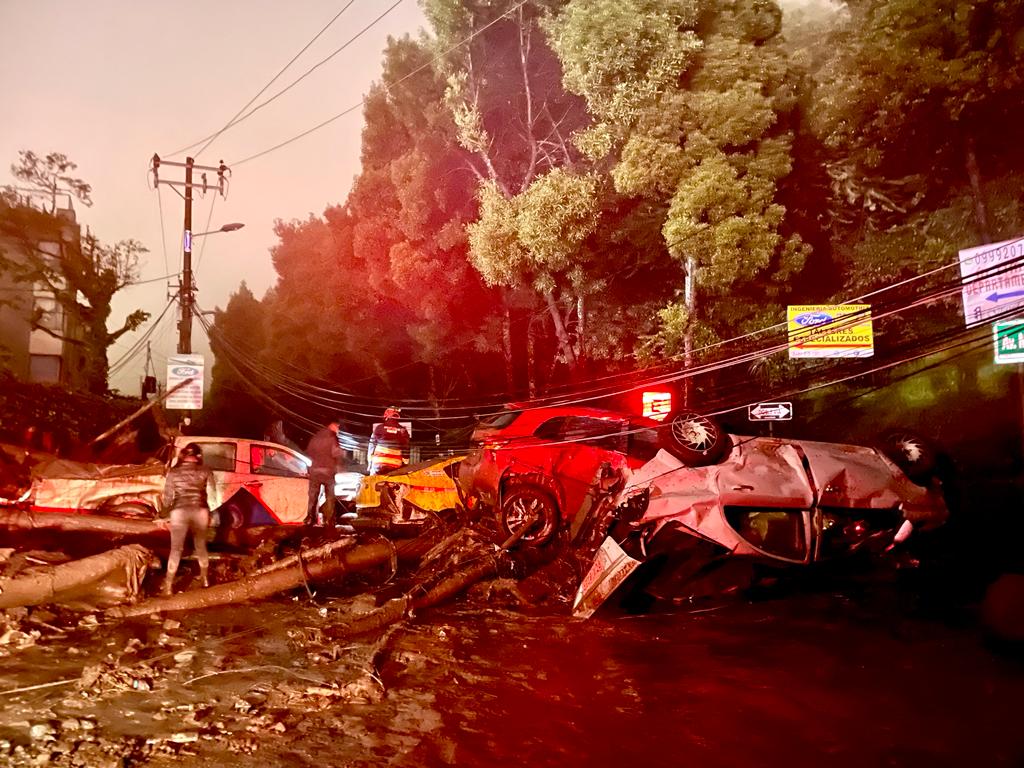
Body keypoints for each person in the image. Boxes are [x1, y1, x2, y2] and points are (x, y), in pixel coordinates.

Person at [162, 442, 213, 595]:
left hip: (179, 512)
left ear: (183, 455)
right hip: (200, 511)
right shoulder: (206, 471)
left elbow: (167, 499)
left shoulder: (173, 472)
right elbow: (214, 494)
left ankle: (169, 585)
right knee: (201, 546)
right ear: (198, 456)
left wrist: (164, 514)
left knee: (176, 549)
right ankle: (204, 579)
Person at [305, 416, 342, 526]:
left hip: (315, 471)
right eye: (337, 427)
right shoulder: (332, 438)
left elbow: (309, 452)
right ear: (332, 425)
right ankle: (328, 520)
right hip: (328, 471)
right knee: (330, 497)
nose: (338, 429)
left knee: (313, 497)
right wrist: (340, 458)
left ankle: (310, 519)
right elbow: (336, 453)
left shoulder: (315, 437)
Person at [368, 406, 410, 474]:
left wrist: (369, 462)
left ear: (386, 416)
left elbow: (372, 445)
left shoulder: (379, 428)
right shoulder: (403, 430)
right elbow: (406, 447)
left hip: (379, 463)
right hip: (395, 464)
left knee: (374, 481)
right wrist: (405, 462)